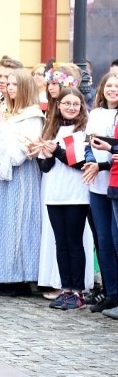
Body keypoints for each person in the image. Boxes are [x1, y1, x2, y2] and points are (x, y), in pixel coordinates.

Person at [0, 68, 43, 296]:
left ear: (25, 87)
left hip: (21, 176)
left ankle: (19, 278)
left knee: (18, 223)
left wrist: (0, 124)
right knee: (0, 222)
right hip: (1, 176)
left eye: (15, 84)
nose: (9, 88)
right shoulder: (7, 111)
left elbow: (20, 152)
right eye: (8, 84)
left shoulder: (33, 115)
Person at [34, 87, 90, 310]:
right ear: (59, 105)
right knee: (61, 242)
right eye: (66, 103)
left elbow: (80, 163)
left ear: (81, 107)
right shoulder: (52, 128)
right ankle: (65, 288)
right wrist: (45, 154)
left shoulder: (84, 131)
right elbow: (45, 167)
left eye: (75, 104)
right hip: (55, 193)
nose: (71, 107)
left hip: (76, 193)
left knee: (74, 242)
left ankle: (78, 291)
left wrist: (56, 151)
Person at [84, 73, 118, 314]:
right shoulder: (95, 114)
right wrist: (89, 161)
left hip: (112, 178)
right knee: (103, 241)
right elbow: (88, 143)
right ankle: (111, 291)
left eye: (117, 86)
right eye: (109, 85)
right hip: (97, 184)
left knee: (116, 240)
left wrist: (102, 164)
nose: (112, 90)